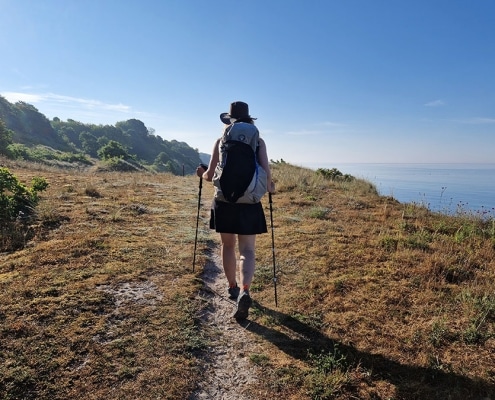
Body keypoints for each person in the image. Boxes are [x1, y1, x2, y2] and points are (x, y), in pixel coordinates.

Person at [196, 101, 275, 320]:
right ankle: (245, 290)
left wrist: (201, 174)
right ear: (250, 120)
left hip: (224, 202)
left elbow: (210, 176)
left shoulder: (220, 142)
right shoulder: (258, 142)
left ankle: (232, 286)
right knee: (247, 250)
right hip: (249, 202)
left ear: (229, 120)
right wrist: (270, 187)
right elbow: (266, 173)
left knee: (227, 245)